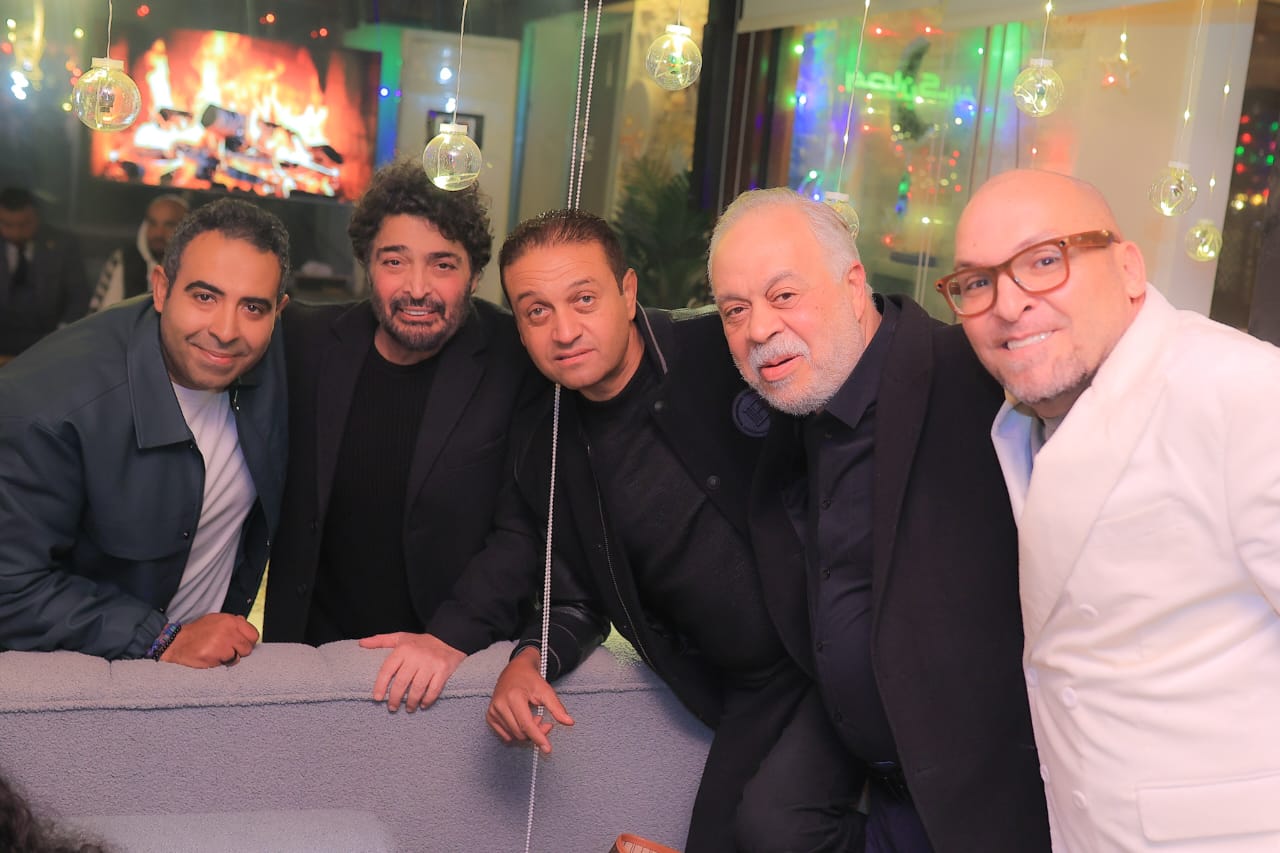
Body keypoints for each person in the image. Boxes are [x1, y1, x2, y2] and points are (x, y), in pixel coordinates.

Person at [480, 209, 858, 853]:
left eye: (584, 299)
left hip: (837, 645)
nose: (564, 330)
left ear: (627, 292)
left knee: (777, 830)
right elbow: (574, 598)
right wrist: (527, 659)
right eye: (536, 311)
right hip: (751, 691)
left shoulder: (721, 347)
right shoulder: (545, 447)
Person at [944, 168, 1280, 851]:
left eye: (1045, 260)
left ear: (1129, 268)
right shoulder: (1023, 423)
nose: (1008, 303)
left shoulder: (1243, 391)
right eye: (977, 282)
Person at [706, 188, 1051, 851]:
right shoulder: (799, 404)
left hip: (983, 785)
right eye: (734, 310)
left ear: (852, 283)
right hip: (857, 754)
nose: (758, 329)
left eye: (784, 295)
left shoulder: (975, 375)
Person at [263, 160, 542, 712]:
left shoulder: (516, 358)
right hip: (310, 664)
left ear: (474, 275)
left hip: (449, 666)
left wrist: (449, 637)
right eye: (395, 261)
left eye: (443, 264)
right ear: (368, 266)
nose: (418, 288)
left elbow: (525, 528)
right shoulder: (307, 342)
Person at [0, 198, 290, 667]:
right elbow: (10, 588)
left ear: (279, 312)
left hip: (207, 672)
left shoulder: (281, 357)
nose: (225, 330)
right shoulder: (47, 407)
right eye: (204, 297)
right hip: (77, 681)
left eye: (253, 307)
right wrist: (162, 639)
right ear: (160, 288)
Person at [0, 187, 90, 360]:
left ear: (37, 217)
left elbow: (79, 295)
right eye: (8, 225)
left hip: (47, 339)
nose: (16, 232)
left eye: (24, 224)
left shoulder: (63, 245)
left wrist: (62, 335)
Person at [89, 193, 190, 313]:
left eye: (169, 225)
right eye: (153, 223)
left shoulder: (194, 265)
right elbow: (102, 313)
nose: (158, 233)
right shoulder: (123, 258)